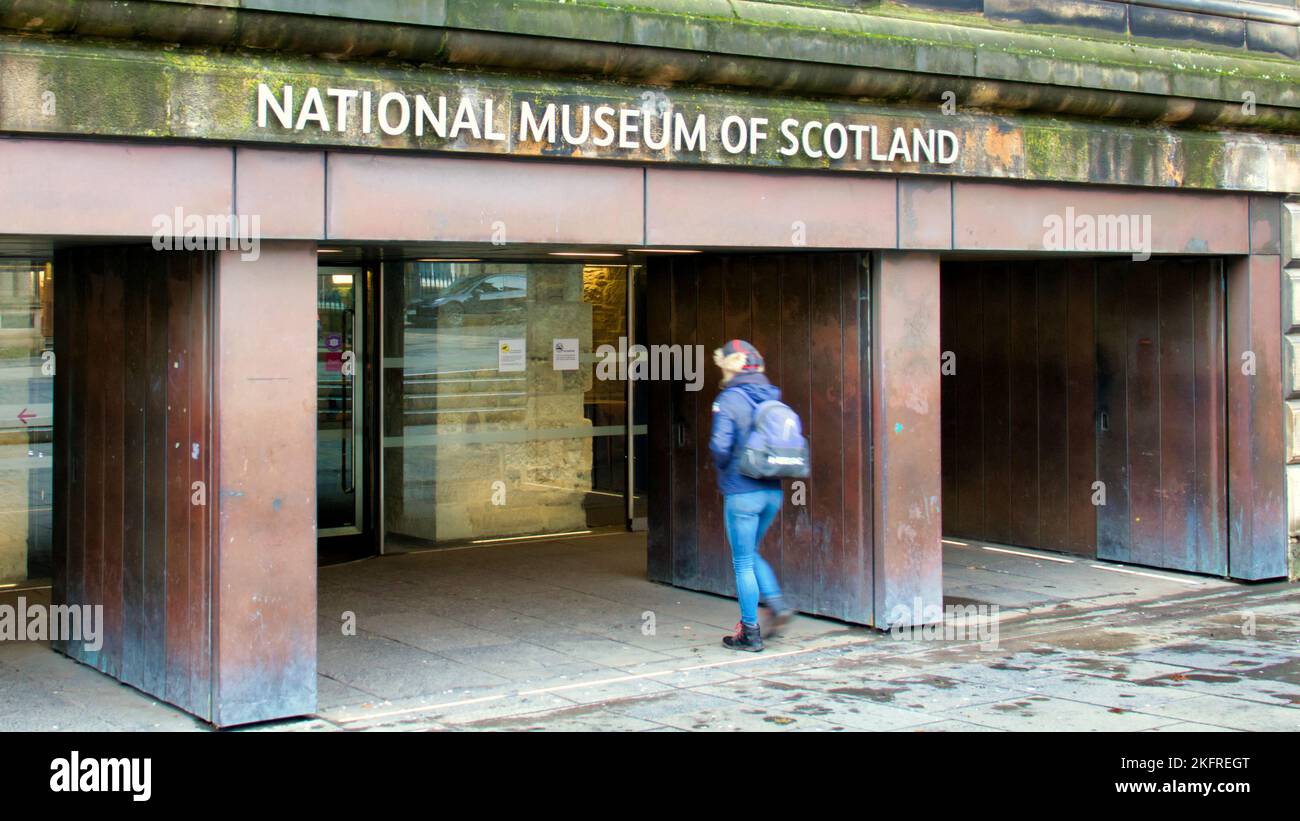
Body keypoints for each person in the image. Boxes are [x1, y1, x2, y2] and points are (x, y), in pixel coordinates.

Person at [709, 339, 794, 652]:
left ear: (729, 367)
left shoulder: (729, 399)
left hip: (742, 491)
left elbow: (720, 445)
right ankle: (777, 604)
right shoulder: (772, 397)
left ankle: (750, 631)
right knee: (752, 553)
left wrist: (724, 468)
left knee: (742, 561)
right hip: (772, 491)